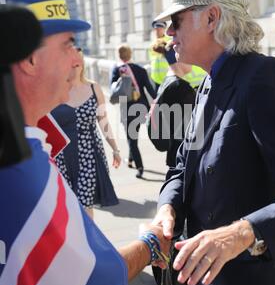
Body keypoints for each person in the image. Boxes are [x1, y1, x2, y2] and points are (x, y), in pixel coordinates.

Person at [0, 0, 169, 285]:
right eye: (69, 44)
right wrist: (152, 243)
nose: (78, 58)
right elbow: (96, 276)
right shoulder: (21, 171)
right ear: (28, 57)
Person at [152, 0, 275, 285]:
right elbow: (182, 165)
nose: (169, 33)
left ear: (213, 18)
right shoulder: (206, 83)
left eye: (176, 21)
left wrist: (242, 232)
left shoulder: (265, 77)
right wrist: (167, 207)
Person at [51, 47, 120, 219]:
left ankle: (90, 242)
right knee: (68, 204)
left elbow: (103, 121)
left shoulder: (94, 88)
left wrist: (115, 149)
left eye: (78, 61)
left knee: (84, 203)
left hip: (89, 154)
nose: (75, 65)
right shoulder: (54, 90)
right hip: (62, 157)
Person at [110, 44, 156, 178]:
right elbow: (149, 89)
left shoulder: (117, 70)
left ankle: (140, 167)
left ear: (119, 55)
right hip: (142, 108)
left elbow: (113, 89)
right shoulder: (141, 69)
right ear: (131, 54)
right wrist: (157, 102)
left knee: (132, 140)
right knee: (133, 137)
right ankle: (130, 160)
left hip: (127, 109)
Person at [148, 42, 196, 167]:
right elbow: (196, 127)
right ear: (178, 59)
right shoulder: (180, 87)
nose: (192, 62)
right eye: (189, 57)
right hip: (184, 157)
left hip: (174, 155)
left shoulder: (167, 81)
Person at [148, 20, 170, 94]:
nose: (157, 31)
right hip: (156, 79)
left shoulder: (169, 42)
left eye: (160, 29)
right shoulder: (152, 44)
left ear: (164, 29)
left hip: (167, 78)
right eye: (156, 29)